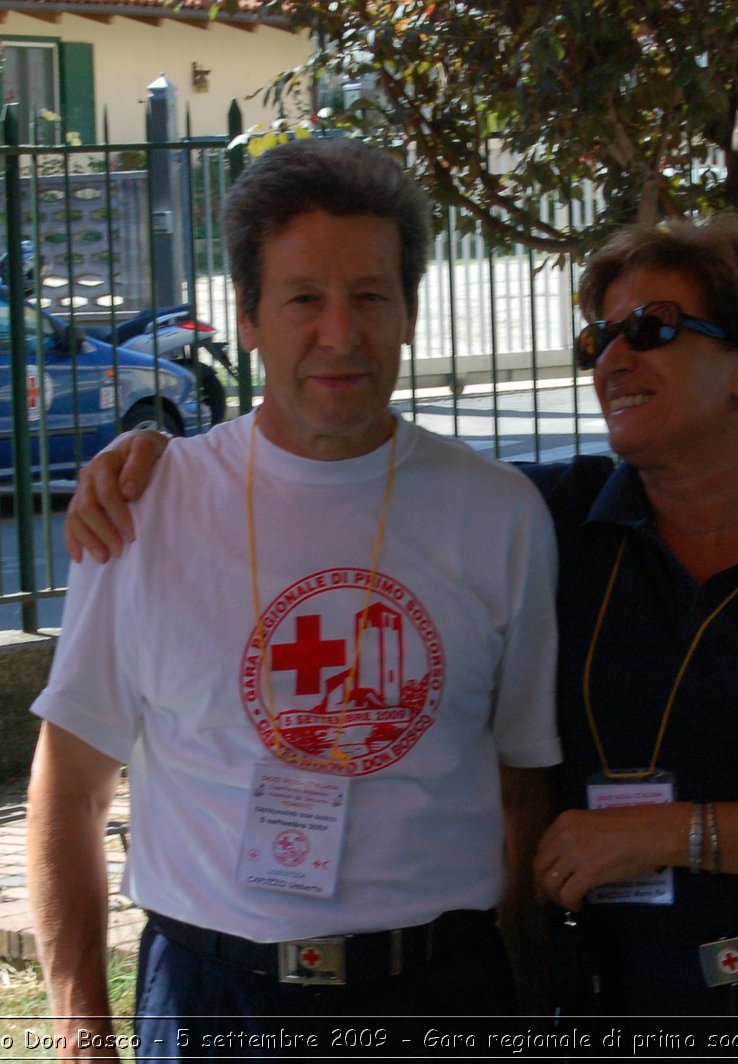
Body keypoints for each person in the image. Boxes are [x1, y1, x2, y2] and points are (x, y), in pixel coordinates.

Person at [66, 215, 738, 1053]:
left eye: (650, 329)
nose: (612, 358)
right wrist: (152, 460)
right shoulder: (555, 520)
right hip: (633, 996)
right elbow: (351, 471)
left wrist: (667, 834)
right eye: (598, 337)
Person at [27, 136, 561, 1060]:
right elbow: (68, 790)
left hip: (437, 994)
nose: (340, 334)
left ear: (410, 311)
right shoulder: (141, 510)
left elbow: (526, 789)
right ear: (247, 318)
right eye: (304, 298)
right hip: (212, 1003)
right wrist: (82, 1034)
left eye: (369, 296)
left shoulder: (502, 516)